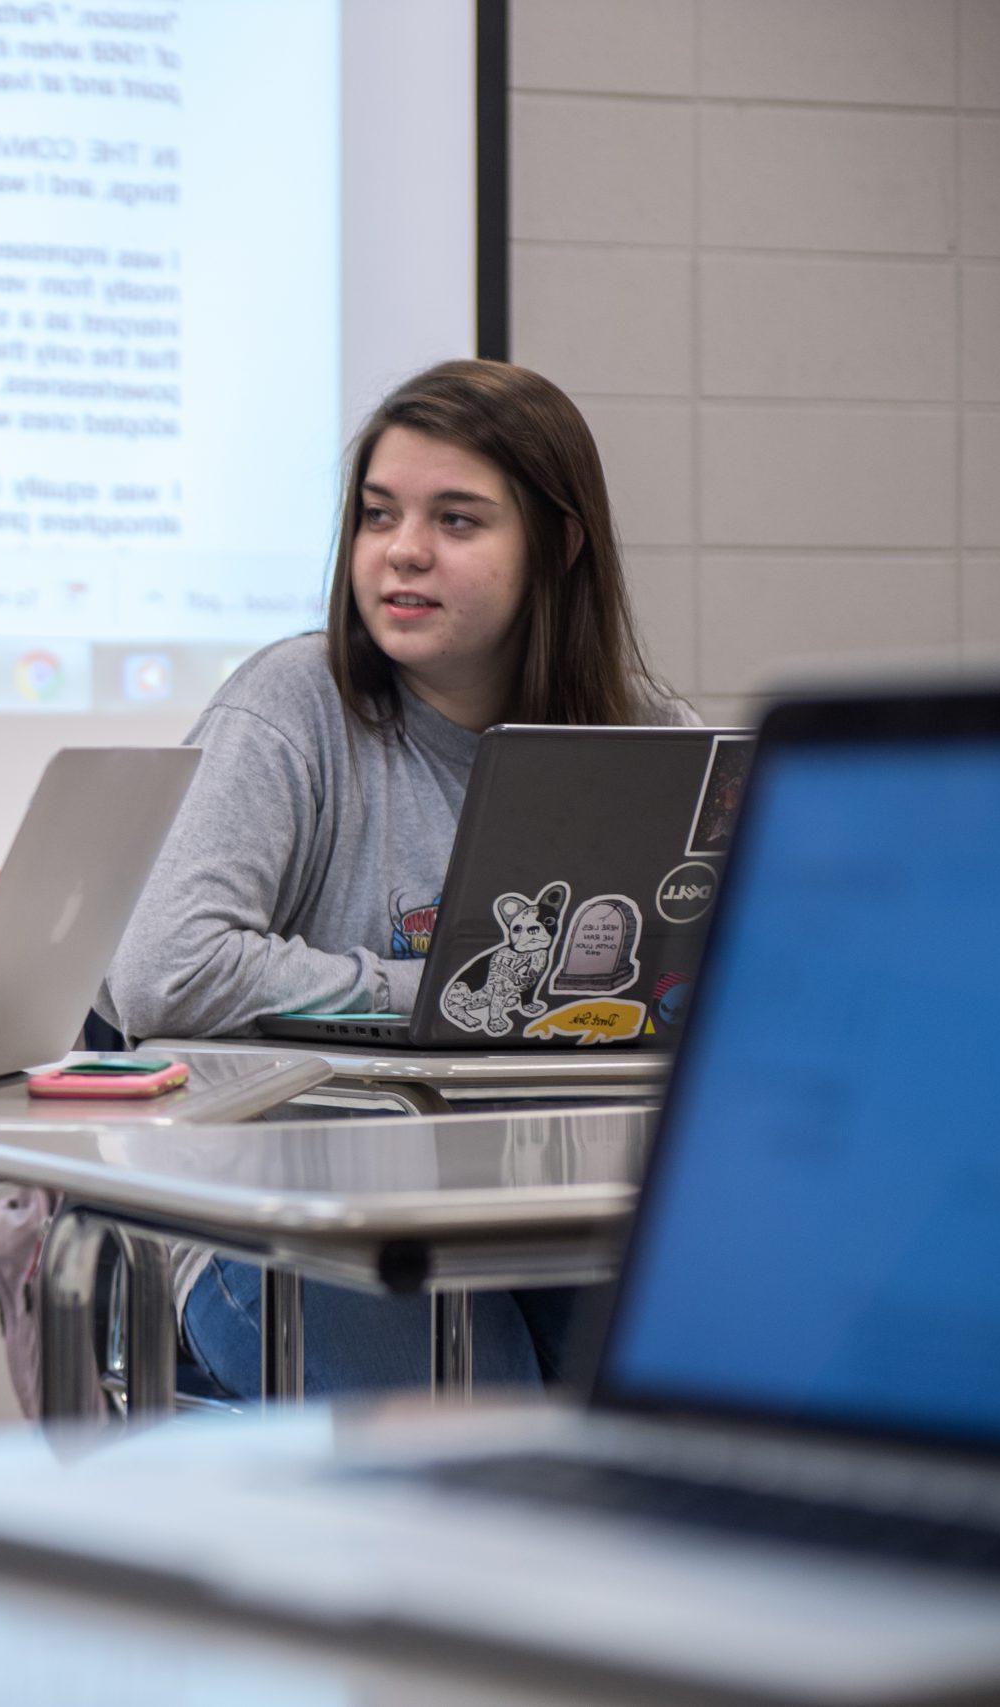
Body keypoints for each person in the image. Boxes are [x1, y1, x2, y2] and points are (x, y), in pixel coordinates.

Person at [101, 358, 696, 1399]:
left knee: (704, 1391)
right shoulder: (292, 703)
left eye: (456, 521)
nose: (401, 553)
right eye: (378, 516)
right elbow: (165, 971)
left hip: (542, 1201)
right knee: (486, 1428)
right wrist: (441, 998)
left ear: (556, 546)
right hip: (281, 1208)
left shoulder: (648, 737)